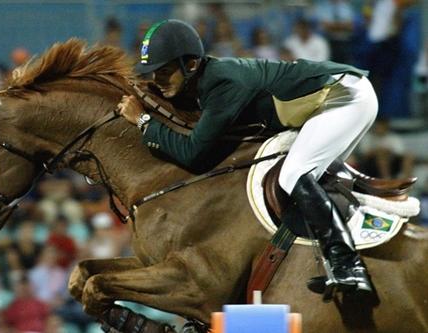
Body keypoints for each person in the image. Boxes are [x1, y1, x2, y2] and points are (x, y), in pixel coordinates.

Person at [117, 19, 378, 295]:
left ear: (191, 65)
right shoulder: (207, 79)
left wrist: (144, 120)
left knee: (292, 175)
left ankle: (349, 266)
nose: (157, 80)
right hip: (337, 98)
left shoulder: (222, 82)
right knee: (302, 186)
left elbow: (192, 154)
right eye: (154, 73)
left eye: (165, 72)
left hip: (344, 98)